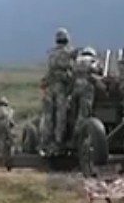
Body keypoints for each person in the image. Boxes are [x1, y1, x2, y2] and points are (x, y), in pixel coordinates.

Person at [40, 27, 75, 155]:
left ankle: (45, 144)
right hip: (61, 89)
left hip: (49, 89)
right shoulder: (69, 53)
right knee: (61, 117)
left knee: (48, 117)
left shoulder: (51, 54)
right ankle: (58, 144)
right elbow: (72, 70)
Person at [70, 46, 102, 130]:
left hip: (75, 89)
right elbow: (97, 71)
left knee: (73, 113)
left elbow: (72, 74)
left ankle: (71, 131)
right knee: (84, 113)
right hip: (86, 89)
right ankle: (79, 132)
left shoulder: (77, 61)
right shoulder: (93, 60)